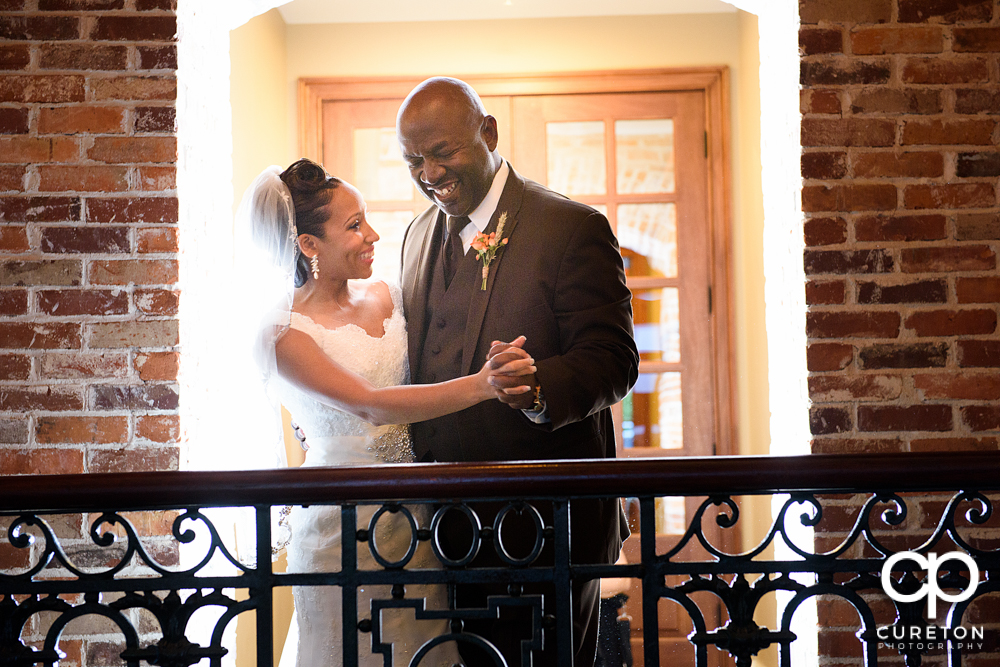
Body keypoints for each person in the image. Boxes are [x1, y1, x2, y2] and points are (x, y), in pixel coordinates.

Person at [240, 158, 536, 667]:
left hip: (418, 518)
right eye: (354, 225)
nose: (372, 234)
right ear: (309, 244)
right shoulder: (283, 334)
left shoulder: (389, 295)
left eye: (367, 218)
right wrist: (483, 385)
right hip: (342, 527)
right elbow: (371, 406)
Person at [397, 77, 640, 666]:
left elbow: (613, 360)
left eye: (443, 152)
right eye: (413, 160)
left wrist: (537, 389)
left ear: (489, 133)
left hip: (544, 525)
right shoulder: (416, 234)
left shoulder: (569, 228)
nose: (429, 173)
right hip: (442, 532)